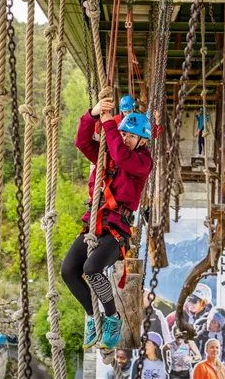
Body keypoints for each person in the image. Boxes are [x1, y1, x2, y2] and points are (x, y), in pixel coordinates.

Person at [62, 97, 153, 350]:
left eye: (131, 136)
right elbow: (82, 142)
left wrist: (109, 126)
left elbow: (123, 157)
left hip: (116, 230)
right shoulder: (108, 155)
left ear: (142, 141)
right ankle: (93, 315)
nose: (124, 139)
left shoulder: (143, 162)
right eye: (123, 134)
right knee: (68, 270)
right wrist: (92, 115)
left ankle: (113, 317)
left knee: (92, 269)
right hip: (94, 224)